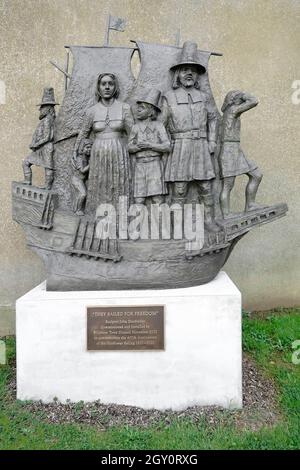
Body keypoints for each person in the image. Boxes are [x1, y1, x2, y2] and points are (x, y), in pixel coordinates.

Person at [161, 41, 219, 232]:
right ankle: (175, 226)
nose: (189, 73)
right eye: (185, 69)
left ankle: (209, 221)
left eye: (193, 70)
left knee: (205, 186)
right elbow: (160, 125)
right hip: (180, 146)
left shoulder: (203, 97)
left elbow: (213, 119)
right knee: (179, 189)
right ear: (178, 73)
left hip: (201, 145)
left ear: (197, 76)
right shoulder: (169, 97)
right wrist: (165, 143)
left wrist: (211, 140)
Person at [73, 73, 134, 214]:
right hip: (98, 153)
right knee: (100, 183)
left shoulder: (124, 108)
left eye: (110, 84)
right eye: (103, 84)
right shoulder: (92, 111)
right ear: (98, 87)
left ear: (115, 87)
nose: (107, 87)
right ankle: (96, 217)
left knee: (118, 184)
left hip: (119, 152)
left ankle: (120, 217)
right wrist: (75, 152)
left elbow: (133, 134)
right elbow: (83, 133)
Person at [219, 90, 263, 217]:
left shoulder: (230, 111)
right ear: (235, 100)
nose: (242, 100)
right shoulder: (233, 110)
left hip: (235, 148)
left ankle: (250, 205)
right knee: (228, 185)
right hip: (229, 150)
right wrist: (245, 95)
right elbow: (254, 100)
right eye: (240, 98)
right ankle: (226, 214)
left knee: (256, 175)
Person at [128, 89, 171, 205]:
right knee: (139, 200)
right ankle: (139, 222)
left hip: (155, 165)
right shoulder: (135, 128)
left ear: (151, 111)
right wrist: (137, 147)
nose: (138, 109)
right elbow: (129, 147)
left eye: (141, 107)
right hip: (140, 166)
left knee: (157, 199)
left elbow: (167, 146)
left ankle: (159, 222)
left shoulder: (158, 126)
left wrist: (150, 146)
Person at [22, 87, 58, 190]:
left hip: (46, 147)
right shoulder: (48, 120)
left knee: (48, 166)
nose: (40, 110)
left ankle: (47, 186)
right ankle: (28, 181)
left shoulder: (47, 120)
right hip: (41, 148)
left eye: (42, 107)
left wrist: (35, 144)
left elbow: (47, 137)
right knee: (26, 162)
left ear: (48, 108)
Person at [71, 138, 92, 215]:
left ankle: (75, 208)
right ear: (82, 148)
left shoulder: (85, 158)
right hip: (77, 180)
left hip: (81, 180)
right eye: (87, 147)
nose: (89, 149)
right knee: (83, 194)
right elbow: (82, 170)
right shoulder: (80, 159)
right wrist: (90, 164)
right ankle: (78, 210)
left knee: (80, 194)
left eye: (90, 147)